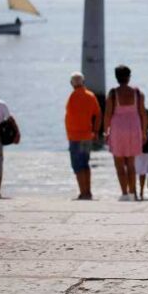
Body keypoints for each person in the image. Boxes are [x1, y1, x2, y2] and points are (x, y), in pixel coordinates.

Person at [104, 65, 147, 201]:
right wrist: (144, 132)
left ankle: (124, 193)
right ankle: (133, 192)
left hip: (117, 129)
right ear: (129, 77)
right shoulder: (137, 93)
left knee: (119, 163)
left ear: (116, 77)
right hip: (134, 129)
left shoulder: (113, 93)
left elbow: (108, 115)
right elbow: (143, 114)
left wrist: (106, 132)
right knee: (131, 164)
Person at [64, 72, 101, 200]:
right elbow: (98, 114)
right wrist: (96, 131)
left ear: (71, 84)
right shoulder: (91, 96)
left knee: (78, 166)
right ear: (83, 82)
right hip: (87, 136)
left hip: (75, 137)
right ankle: (88, 192)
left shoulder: (72, 97)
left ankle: (83, 192)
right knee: (85, 164)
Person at [134, 109, 148, 201]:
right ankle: (139, 193)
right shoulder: (147, 114)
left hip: (139, 143)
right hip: (143, 143)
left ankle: (138, 193)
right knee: (141, 170)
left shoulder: (146, 114)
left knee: (137, 170)